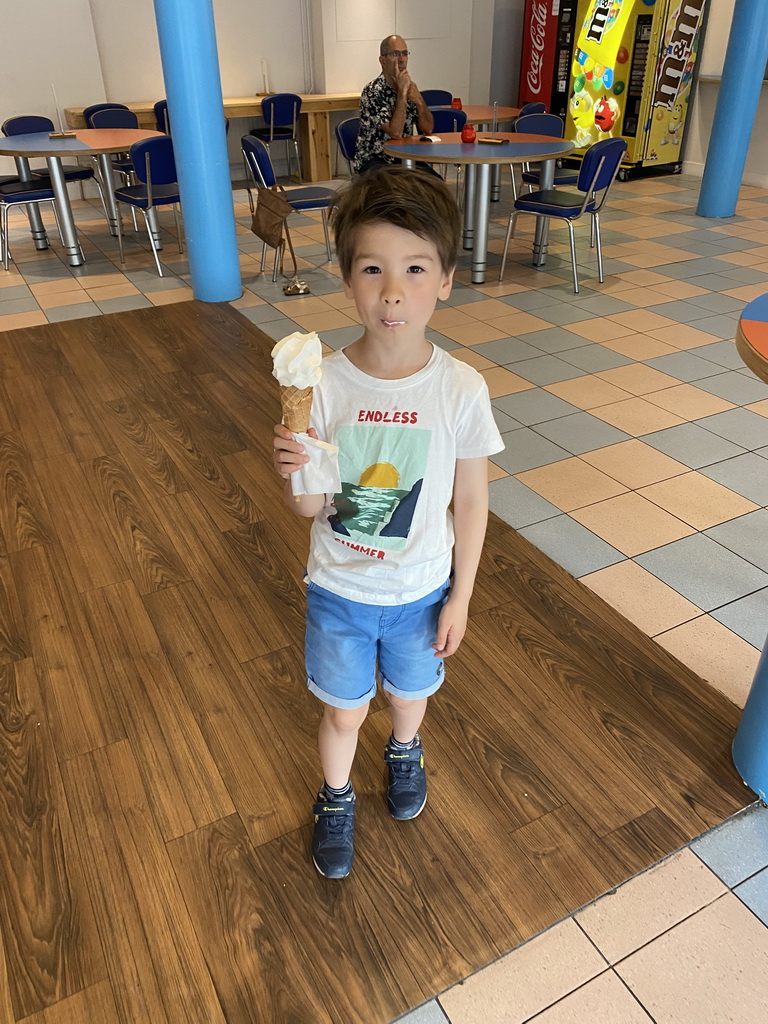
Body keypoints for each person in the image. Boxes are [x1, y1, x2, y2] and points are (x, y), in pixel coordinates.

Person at [271, 166, 504, 879]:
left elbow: (470, 499)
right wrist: (293, 461)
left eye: (414, 268)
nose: (393, 290)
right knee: (343, 712)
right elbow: (311, 508)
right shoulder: (326, 384)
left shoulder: (460, 388)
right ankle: (335, 795)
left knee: (410, 696)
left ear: (446, 280)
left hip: (422, 589)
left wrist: (461, 595)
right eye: (372, 268)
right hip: (340, 590)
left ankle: (405, 751)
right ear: (347, 281)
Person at [353, 34, 435, 175]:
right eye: (395, 54)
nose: (401, 60)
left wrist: (420, 101)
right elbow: (395, 132)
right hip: (375, 158)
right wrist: (402, 93)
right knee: (403, 188)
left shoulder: (410, 88)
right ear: (383, 60)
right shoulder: (373, 91)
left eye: (405, 54)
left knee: (436, 185)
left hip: (404, 156)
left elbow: (428, 129)